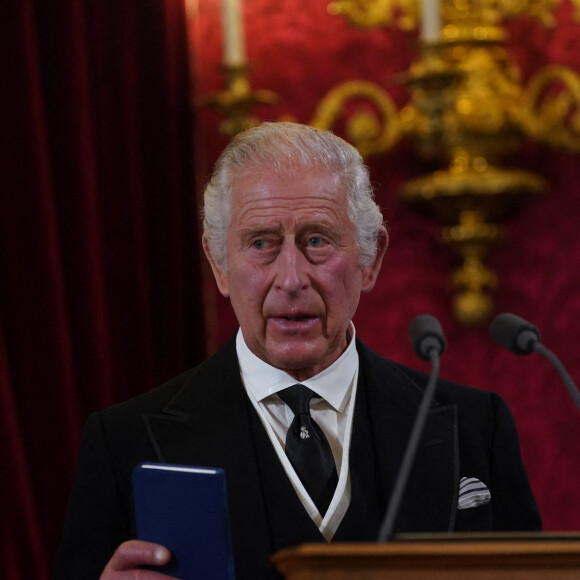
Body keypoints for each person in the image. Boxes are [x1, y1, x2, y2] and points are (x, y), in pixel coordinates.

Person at [52, 122, 541, 580]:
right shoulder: (125, 443)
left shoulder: (478, 427)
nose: (291, 279)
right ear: (219, 265)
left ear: (371, 259)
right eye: (261, 243)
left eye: (316, 240)